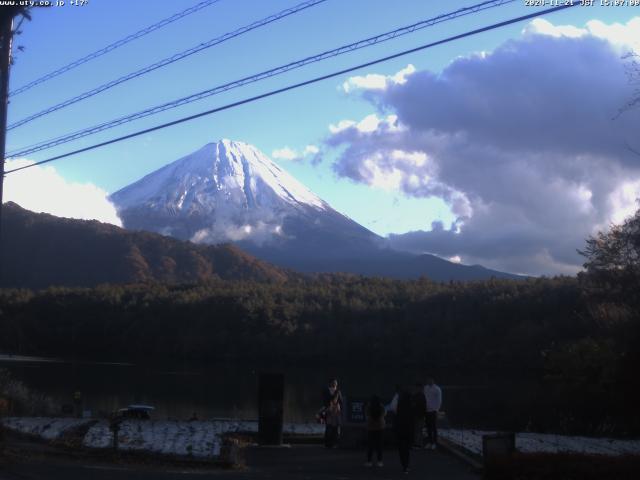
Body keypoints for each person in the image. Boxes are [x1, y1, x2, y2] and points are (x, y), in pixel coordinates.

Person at [395, 388, 414, 474]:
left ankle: (404, 465)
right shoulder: (411, 405)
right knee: (406, 449)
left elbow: (397, 416)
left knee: (401, 449)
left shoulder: (400, 405)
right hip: (408, 429)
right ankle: (406, 466)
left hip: (400, 429)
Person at [364, 395, 385, 467]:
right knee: (379, 446)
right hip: (380, 427)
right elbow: (384, 414)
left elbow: (366, 416)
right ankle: (380, 462)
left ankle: (369, 462)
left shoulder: (369, 406)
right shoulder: (381, 406)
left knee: (370, 446)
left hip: (371, 428)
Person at [423, 377, 442, 450]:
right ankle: (429, 442)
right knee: (428, 427)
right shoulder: (425, 388)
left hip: (433, 411)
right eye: (428, 379)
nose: (429, 381)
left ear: (433, 380)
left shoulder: (437, 389)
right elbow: (424, 398)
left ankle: (434, 443)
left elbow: (439, 400)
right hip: (426, 410)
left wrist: (436, 409)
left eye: (430, 379)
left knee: (433, 427)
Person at [411, 382, 427, 448]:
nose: (416, 389)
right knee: (418, 430)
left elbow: (423, 406)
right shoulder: (417, 396)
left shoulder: (421, 396)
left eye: (417, 388)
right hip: (417, 415)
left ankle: (418, 444)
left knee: (418, 430)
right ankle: (419, 444)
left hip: (419, 415)